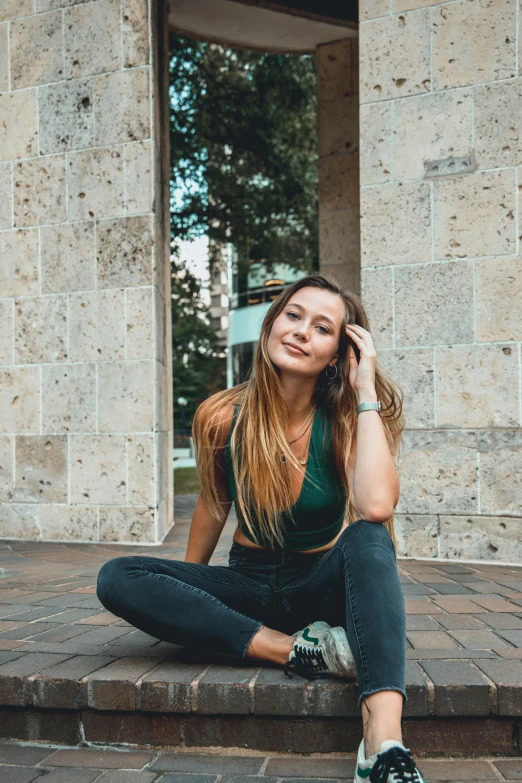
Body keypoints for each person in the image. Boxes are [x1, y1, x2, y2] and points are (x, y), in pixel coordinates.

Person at [97, 273, 426, 783]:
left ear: (339, 351)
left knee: (368, 536)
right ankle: (300, 650)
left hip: (317, 585)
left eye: (322, 328)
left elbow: (376, 505)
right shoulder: (223, 416)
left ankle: (383, 746)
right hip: (246, 584)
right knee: (117, 576)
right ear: (272, 324)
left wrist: (364, 394)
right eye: (292, 316)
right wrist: (189, 593)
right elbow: (213, 504)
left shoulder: (343, 419)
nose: (300, 331)